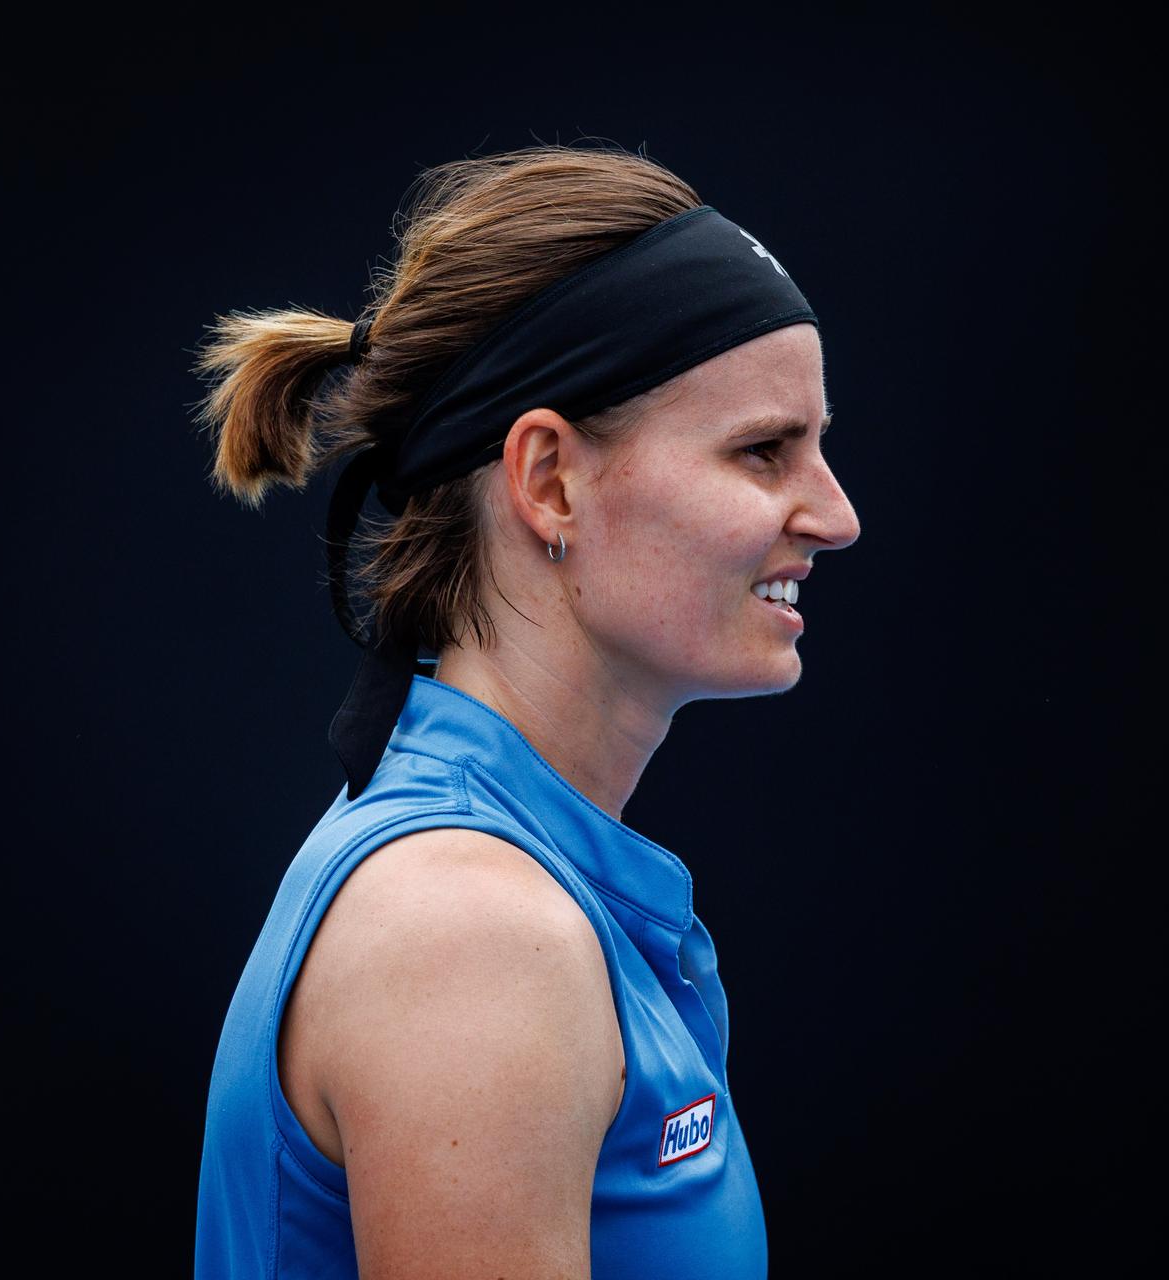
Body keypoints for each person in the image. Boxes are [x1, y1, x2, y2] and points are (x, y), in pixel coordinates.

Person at [187, 145, 860, 1279]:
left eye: (819, 446)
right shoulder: (473, 932)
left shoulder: (501, 885)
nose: (835, 515)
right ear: (548, 480)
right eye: (764, 450)